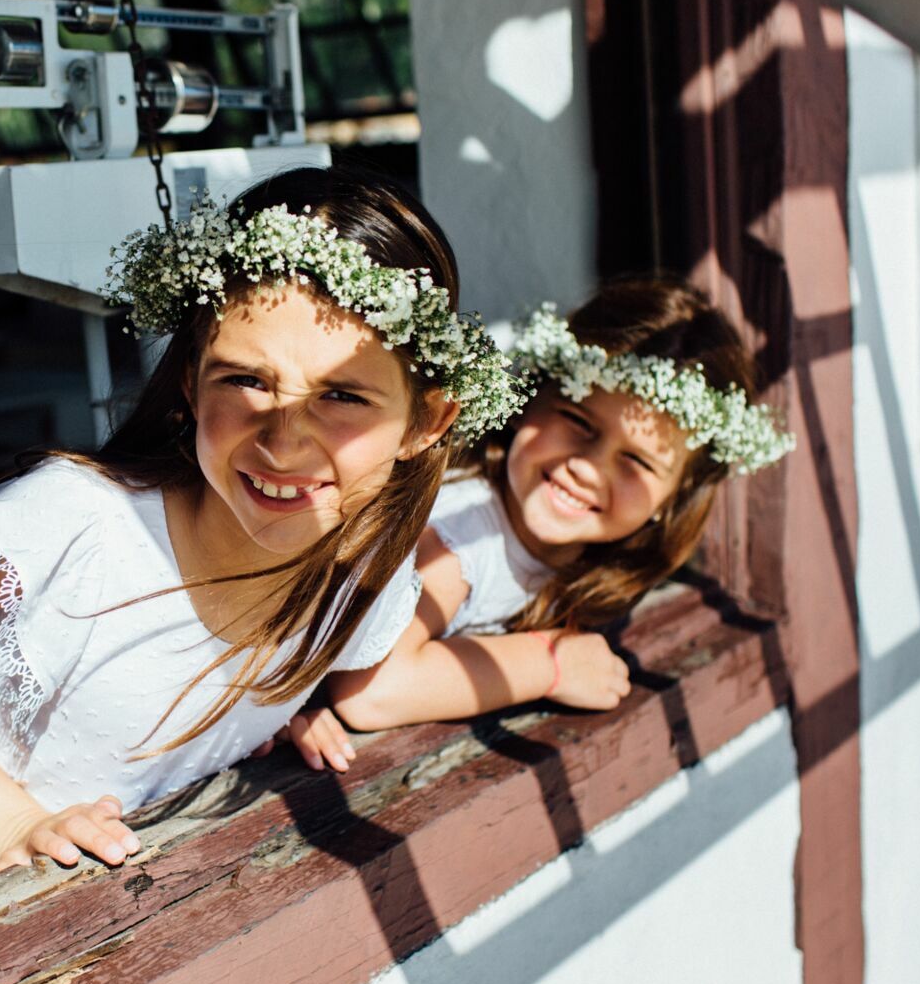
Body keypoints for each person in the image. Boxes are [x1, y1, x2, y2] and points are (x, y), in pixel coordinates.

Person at [0, 166, 524, 947]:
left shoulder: (368, 584)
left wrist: (282, 707)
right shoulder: (77, 523)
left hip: (108, 907)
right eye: (247, 380)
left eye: (343, 395)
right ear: (188, 382)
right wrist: (11, 820)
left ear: (428, 420)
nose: (284, 440)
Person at [279, 280, 795, 770]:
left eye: (637, 461)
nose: (588, 467)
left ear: (675, 496)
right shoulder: (463, 535)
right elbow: (371, 692)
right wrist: (551, 663)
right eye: (578, 420)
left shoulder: (582, 557)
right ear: (533, 399)